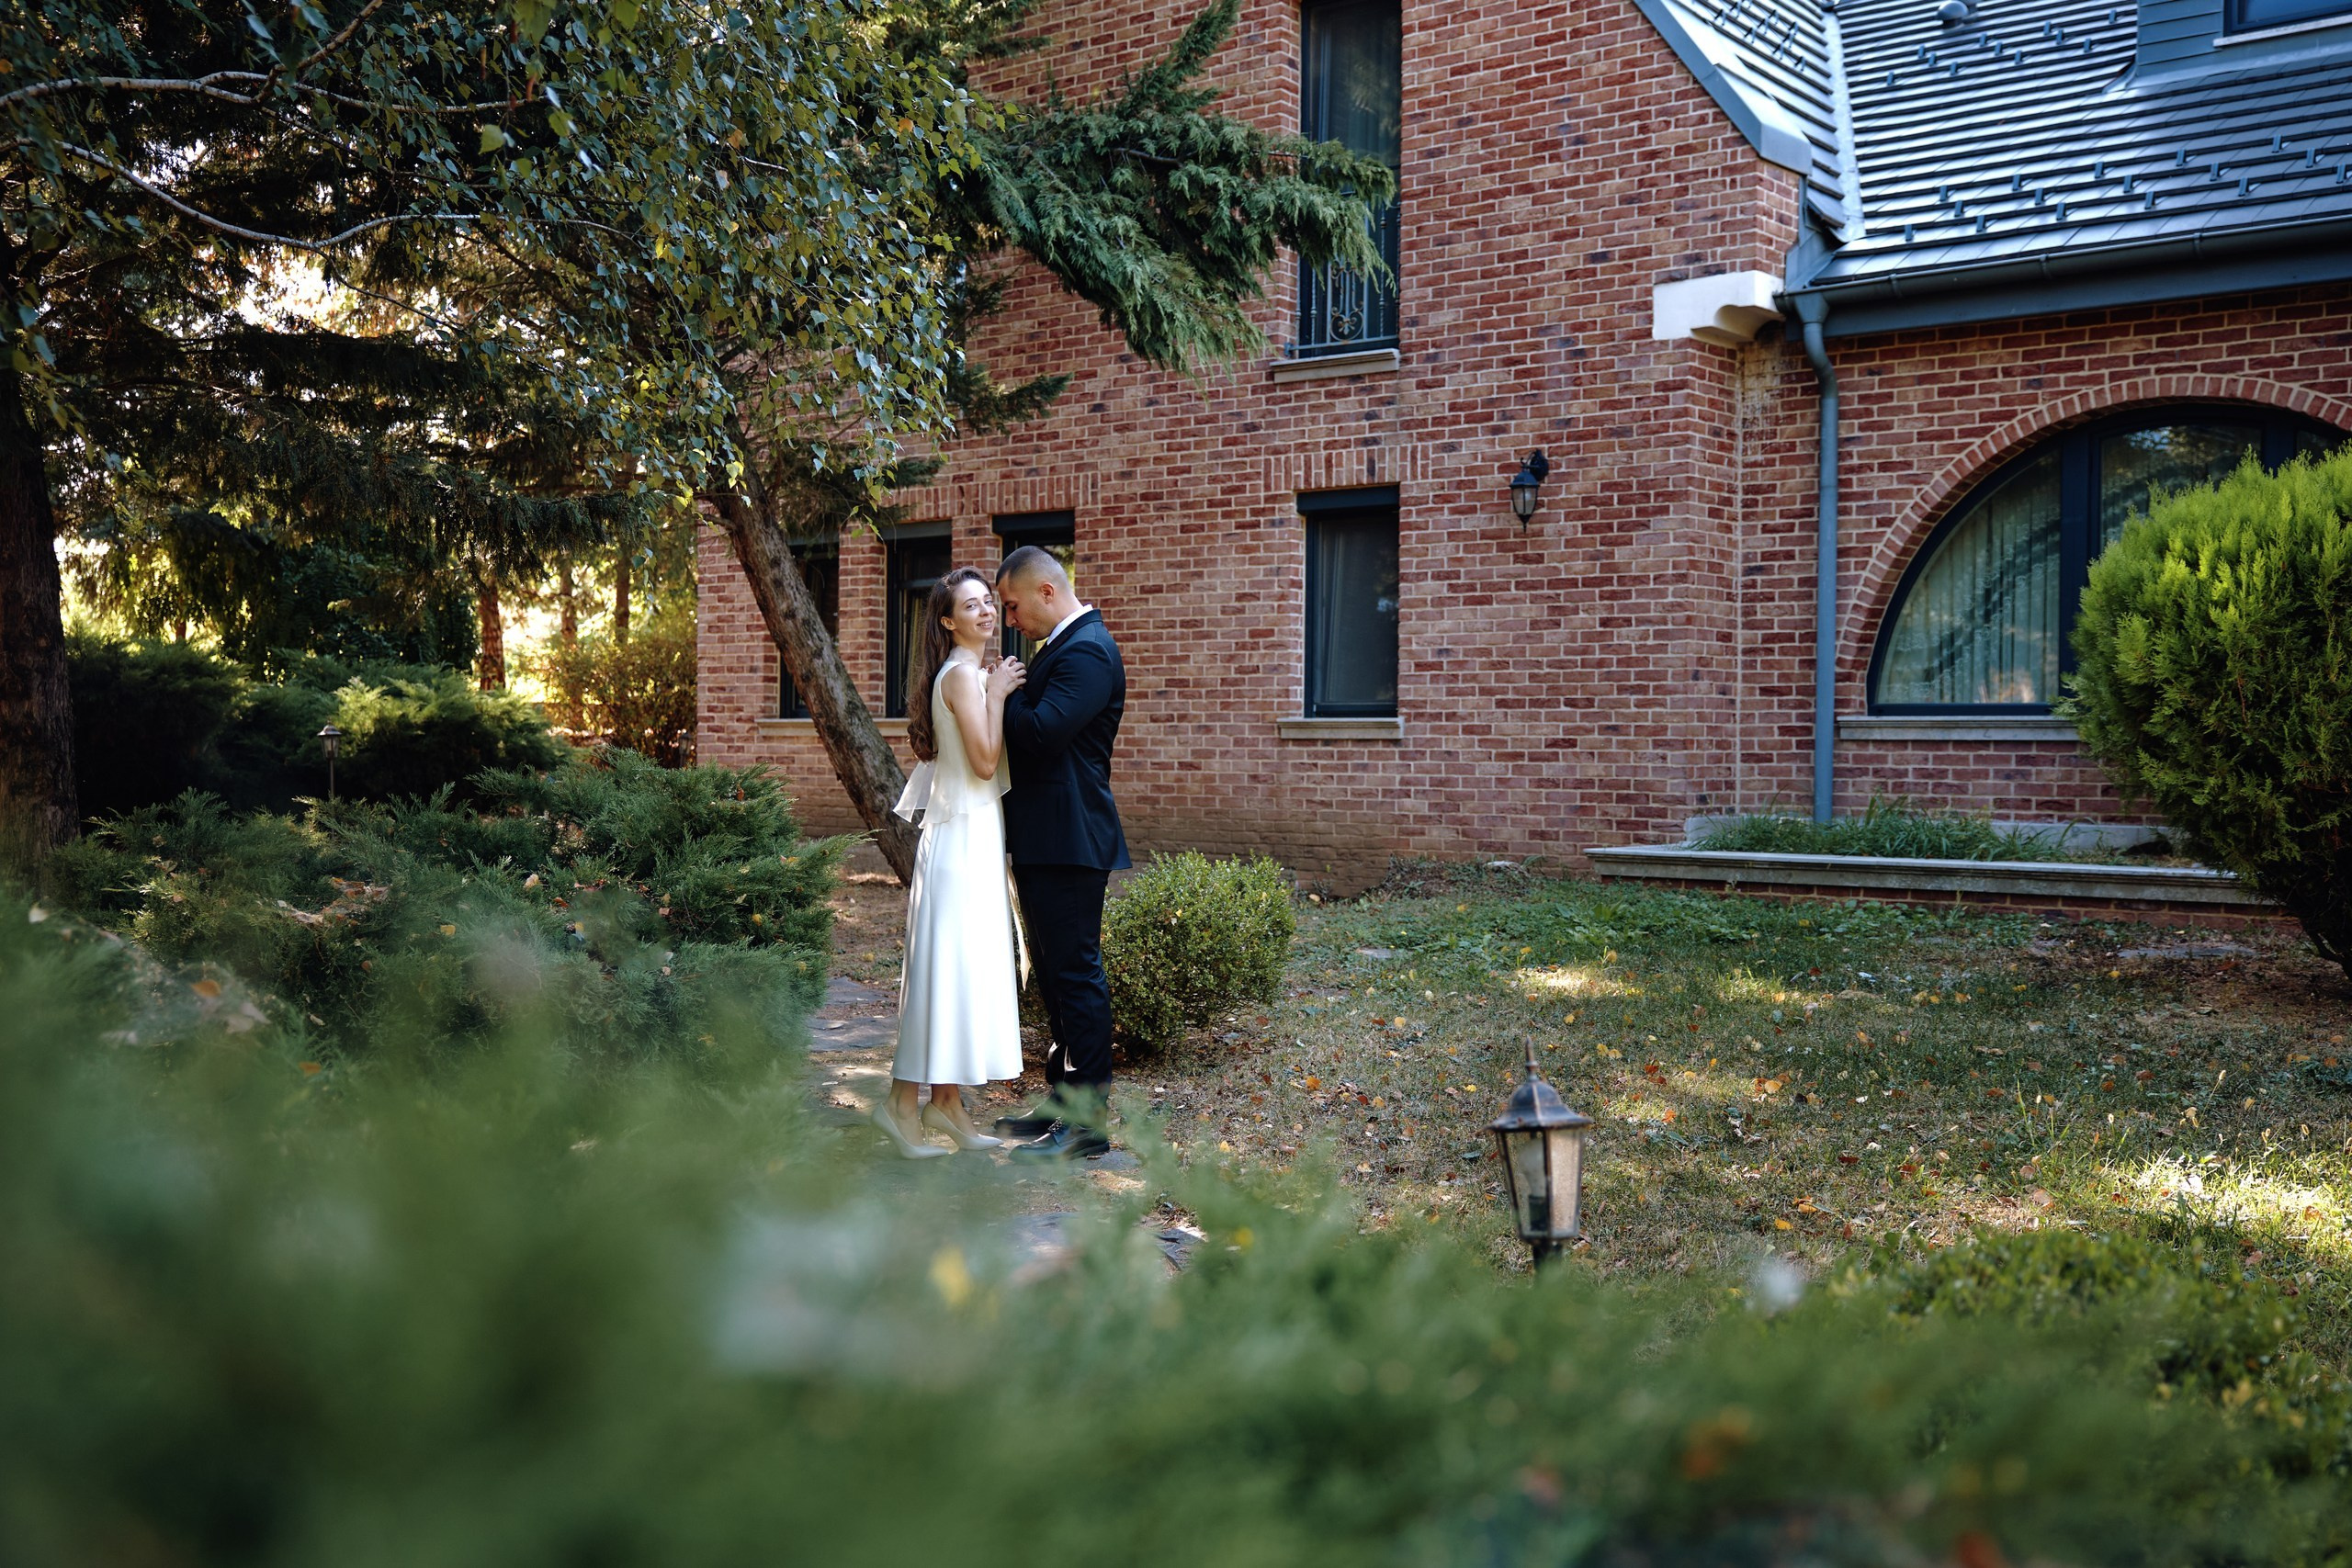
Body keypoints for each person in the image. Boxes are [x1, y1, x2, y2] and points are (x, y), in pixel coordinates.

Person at [871, 568, 1029, 1159]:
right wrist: (997, 692)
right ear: (948, 620)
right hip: (960, 842)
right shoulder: (965, 677)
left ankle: (947, 1104)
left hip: (973, 833)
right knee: (942, 972)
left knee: (960, 970)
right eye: (971, 605)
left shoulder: (967, 674)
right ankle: (901, 1106)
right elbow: (987, 764)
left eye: (989, 601)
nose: (987, 611)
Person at [990, 545, 1128, 1161]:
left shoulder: (1091, 651)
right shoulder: (1060, 648)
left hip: (1072, 841)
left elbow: (1043, 733)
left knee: (1076, 978)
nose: (1010, 621)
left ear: (1047, 591)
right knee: (1050, 978)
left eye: (1013, 606)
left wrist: (1003, 694)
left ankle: (1088, 1125)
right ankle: (1060, 1102)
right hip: (1046, 838)